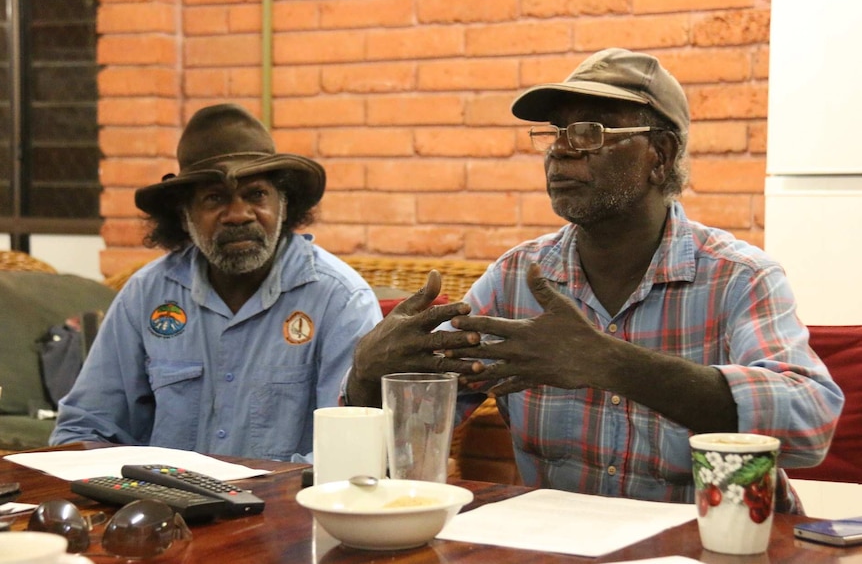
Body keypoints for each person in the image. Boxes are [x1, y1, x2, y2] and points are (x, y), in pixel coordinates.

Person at [345, 48, 844, 512]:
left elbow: (810, 422)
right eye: (555, 133)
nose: (561, 152)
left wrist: (610, 363)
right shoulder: (517, 278)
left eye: (589, 133)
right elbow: (413, 437)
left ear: (660, 154)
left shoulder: (739, 278)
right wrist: (368, 378)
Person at [51, 103, 382, 461]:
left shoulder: (340, 300)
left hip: (286, 512)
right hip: (163, 510)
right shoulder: (146, 295)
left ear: (283, 204)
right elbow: (83, 429)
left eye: (256, 195)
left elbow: (348, 456)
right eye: (215, 198)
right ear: (184, 214)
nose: (238, 215)